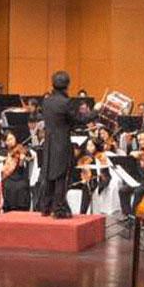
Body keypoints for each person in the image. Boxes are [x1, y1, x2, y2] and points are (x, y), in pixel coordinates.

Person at [37, 71, 101, 218]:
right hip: (62, 142)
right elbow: (79, 120)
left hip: (49, 142)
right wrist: (96, 110)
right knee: (61, 176)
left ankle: (45, 207)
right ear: (67, 85)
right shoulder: (66, 102)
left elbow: (61, 120)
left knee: (49, 175)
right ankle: (59, 210)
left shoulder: (46, 101)